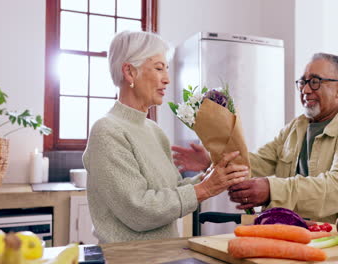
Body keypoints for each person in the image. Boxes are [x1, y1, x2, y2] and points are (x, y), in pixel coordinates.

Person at [82, 31, 249, 243]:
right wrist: (204, 189)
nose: (167, 79)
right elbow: (138, 211)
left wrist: (210, 176)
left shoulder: (154, 131)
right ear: (130, 72)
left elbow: (171, 192)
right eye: (159, 68)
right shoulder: (107, 131)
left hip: (164, 254)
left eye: (166, 69)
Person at [172, 53, 338, 223]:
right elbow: (256, 164)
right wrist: (213, 160)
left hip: (336, 241)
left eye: (315, 82)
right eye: (302, 82)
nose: (305, 90)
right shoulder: (296, 127)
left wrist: (271, 189)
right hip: (293, 234)